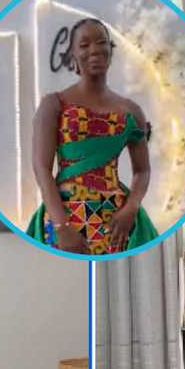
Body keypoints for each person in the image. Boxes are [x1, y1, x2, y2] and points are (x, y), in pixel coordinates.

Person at [26, 18, 158, 255]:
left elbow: (142, 170)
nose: (94, 50)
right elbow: (41, 167)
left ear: (110, 49)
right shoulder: (54, 104)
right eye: (84, 45)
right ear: (73, 55)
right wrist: (61, 226)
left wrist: (131, 209)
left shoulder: (131, 111)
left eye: (101, 42)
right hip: (65, 214)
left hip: (118, 220)